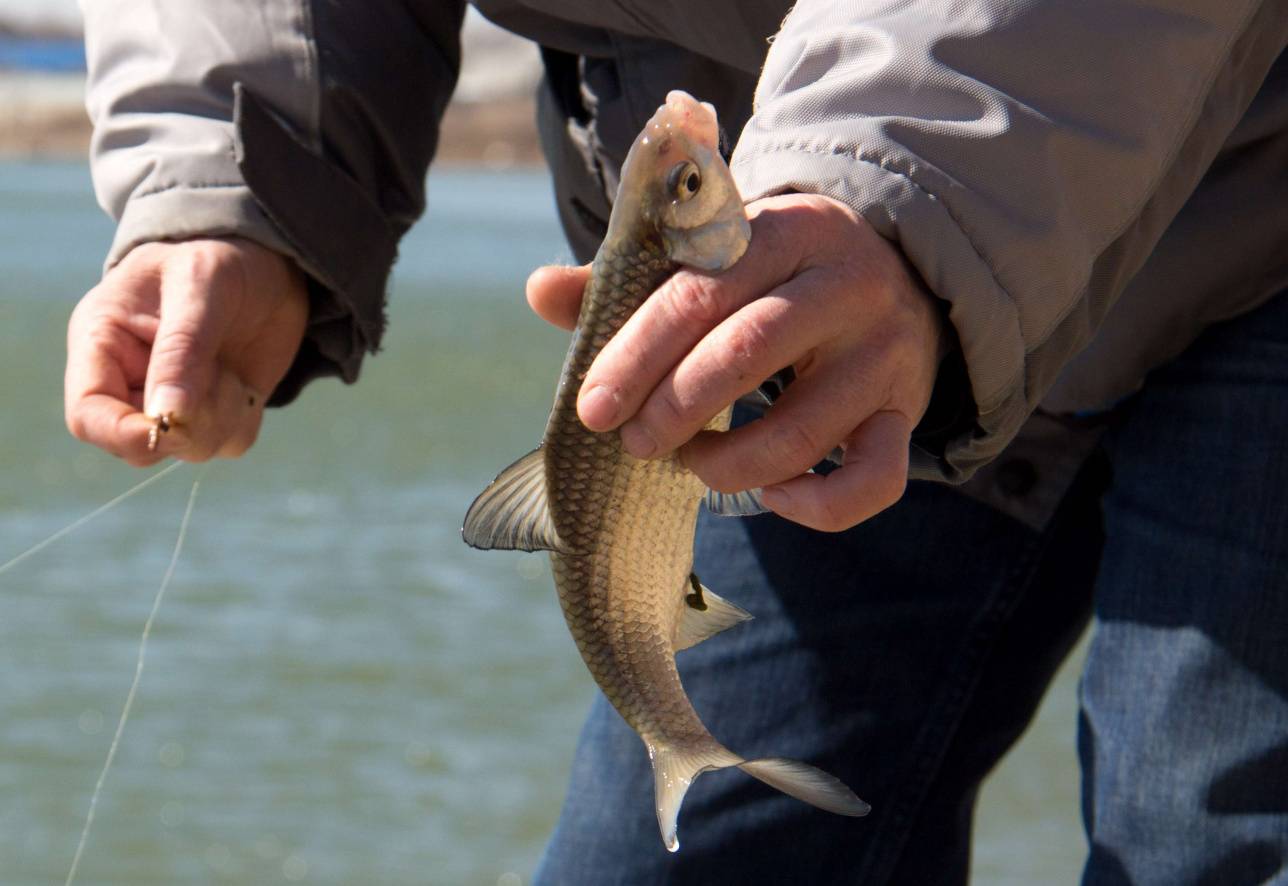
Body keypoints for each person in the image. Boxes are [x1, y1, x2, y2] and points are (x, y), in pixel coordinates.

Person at [65, 1, 1288, 882]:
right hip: (801, 301)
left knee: (1206, 835)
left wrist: (890, 180)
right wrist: (233, 180)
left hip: (1211, 211)